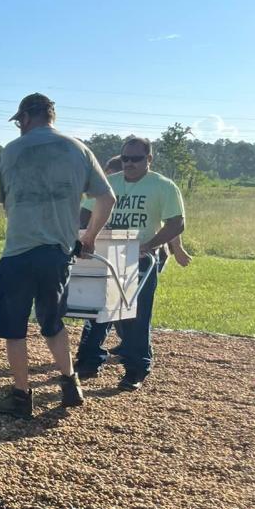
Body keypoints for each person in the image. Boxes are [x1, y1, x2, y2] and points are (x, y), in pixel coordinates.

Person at [0, 93, 115, 417]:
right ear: (51, 116)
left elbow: (5, 203)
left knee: (14, 327)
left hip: (18, 252)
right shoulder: (78, 148)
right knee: (52, 322)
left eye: (18, 122)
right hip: (57, 253)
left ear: (26, 118)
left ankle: (20, 396)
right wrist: (89, 237)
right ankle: (71, 385)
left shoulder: (11, 151)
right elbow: (107, 198)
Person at [75, 135, 185, 390]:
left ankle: (136, 368)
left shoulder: (163, 186)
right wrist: (84, 235)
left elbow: (176, 223)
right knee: (96, 310)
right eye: (125, 158)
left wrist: (149, 246)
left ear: (149, 159)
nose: (129, 163)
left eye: (136, 159)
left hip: (141, 258)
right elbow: (85, 211)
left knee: (135, 314)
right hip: (106, 252)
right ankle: (89, 361)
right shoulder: (108, 184)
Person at [101, 155, 191, 268]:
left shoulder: (154, 187)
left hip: (146, 251)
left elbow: (172, 224)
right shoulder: (110, 187)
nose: (108, 177)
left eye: (110, 173)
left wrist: (178, 248)